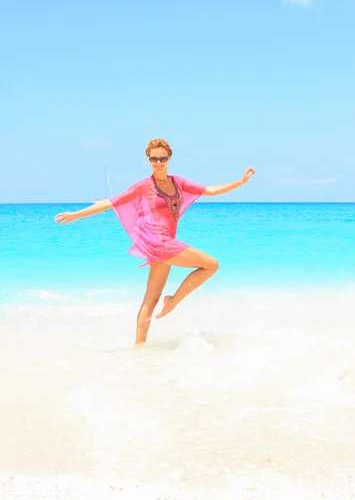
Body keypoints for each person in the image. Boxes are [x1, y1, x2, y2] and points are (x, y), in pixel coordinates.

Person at [55, 138, 255, 346]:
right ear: (148, 159)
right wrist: (75, 215)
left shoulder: (178, 182)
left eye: (162, 158)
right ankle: (173, 300)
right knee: (211, 264)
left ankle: (138, 349)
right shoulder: (143, 186)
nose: (158, 162)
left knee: (149, 301)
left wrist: (240, 182)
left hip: (165, 244)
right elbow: (111, 202)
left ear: (169, 158)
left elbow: (212, 191)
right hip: (157, 242)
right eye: (153, 159)